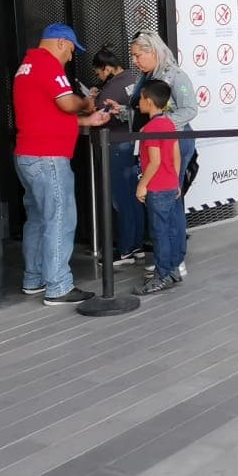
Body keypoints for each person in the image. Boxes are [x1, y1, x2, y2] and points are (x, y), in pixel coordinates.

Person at [12, 22, 109, 306]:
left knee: (38, 218)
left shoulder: (27, 66)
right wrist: (87, 105)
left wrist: (87, 122)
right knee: (61, 217)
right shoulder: (49, 64)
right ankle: (58, 286)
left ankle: (35, 278)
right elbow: (67, 104)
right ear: (62, 43)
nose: (70, 57)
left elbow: (48, 116)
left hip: (29, 154)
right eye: (71, 51)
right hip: (48, 157)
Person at [105, 31, 196, 278]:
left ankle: (176, 260)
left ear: (153, 51)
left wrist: (159, 126)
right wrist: (122, 111)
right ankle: (164, 259)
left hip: (172, 145)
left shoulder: (176, 76)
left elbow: (189, 110)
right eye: (133, 56)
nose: (134, 60)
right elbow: (144, 111)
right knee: (157, 202)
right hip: (150, 145)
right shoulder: (146, 77)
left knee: (171, 201)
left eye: (138, 55)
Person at [90, 46, 144, 266]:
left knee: (120, 199)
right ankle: (137, 243)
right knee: (134, 196)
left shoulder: (111, 88)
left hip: (116, 146)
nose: (100, 76)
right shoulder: (133, 79)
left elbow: (98, 115)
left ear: (108, 68)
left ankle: (124, 250)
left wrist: (92, 99)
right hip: (132, 145)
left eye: (99, 72)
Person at [131, 80, 185, 295]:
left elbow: (154, 162)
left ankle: (161, 275)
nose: (139, 103)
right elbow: (176, 155)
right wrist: (177, 181)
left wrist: (141, 185)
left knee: (159, 233)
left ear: (150, 102)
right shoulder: (169, 123)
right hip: (170, 185)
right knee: (170, 230)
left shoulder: (152, 127)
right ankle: (172, 269)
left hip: (157, 188)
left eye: (142, 99)